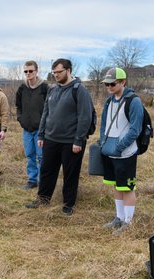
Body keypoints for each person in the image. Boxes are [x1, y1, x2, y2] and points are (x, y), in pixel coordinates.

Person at [25, 58, 94, 215]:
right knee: (47, 170)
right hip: (51, 139)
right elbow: (46, 113)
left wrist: (78, 139)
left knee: (70, 173)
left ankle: (68, 204)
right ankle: (43, 198)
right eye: (54, 72)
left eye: (59, 72)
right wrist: (41, 134)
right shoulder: (53, 89)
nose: (56, 75)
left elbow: (85, 117)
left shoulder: (79, 90)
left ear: (68, 71)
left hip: (71, 142)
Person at [99, 67, 143, 235]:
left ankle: (128, 222)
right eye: (106, 84)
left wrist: (120, 147)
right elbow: (104, 123)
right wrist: (103, 141)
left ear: (123, 82)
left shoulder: (134, 101)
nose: (109, 87)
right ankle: (119, 217)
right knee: (116, 186)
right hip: (109, 151)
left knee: (127, 188)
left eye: (112, 83)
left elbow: (135, 129)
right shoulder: (109, 101)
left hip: (126, 153)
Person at [15, 60, 48, 190]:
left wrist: (44, 125)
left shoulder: (44, 87)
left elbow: (50, 107)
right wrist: (20, 119)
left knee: (41, 156)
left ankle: (42, 181)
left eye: (30, 71)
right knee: (29, 155)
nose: (28, 73)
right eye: (26, 71)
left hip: (40, 130)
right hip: (26, 129)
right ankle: (32, 180)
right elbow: (18, 106)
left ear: (36, 72)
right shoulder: (22, 88)